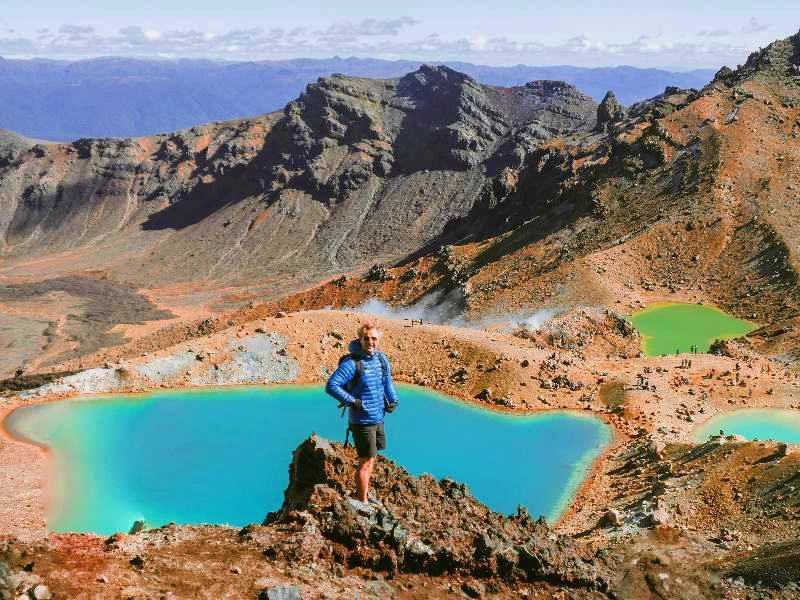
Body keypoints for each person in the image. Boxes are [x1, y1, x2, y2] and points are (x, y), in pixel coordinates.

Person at [325, 321, 399, 504]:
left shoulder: (381, 359)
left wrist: (393, 399)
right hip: (362, 420)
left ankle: (363, 492)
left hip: (378, 417)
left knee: (372, 458)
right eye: (366, 338)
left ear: (379, 339)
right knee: (365, 461)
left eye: (374, 338)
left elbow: (386, 382)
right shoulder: (352, 363)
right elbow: (331, 386)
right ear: (360, 340)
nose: (370, 342)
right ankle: (362, 500)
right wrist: (353, 401)